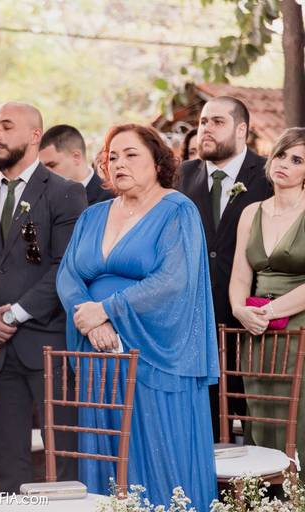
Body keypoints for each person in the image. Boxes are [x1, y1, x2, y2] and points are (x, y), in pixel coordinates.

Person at [58, 123, 219, 510]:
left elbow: (173, 280)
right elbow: (68, 275)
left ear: (157, 162)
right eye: (112, 156)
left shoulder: (177, 210)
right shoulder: (92, 215)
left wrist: (107, 309)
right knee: (106, 456)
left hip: (154, 351)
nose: (119, 163)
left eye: (131, 155)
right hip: (99, 351)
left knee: (160, 455)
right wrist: (93, 321)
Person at [0, 102, 86, 492]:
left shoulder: (66, 193)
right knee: (7, 459)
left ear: (34, 135)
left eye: (6, 126)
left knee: (64, 456)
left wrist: (12, 315)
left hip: (48, 343)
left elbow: (65, 267)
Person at [179, 96, 271, 440]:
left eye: (217, 122)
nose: (206, 129)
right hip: (196, 323)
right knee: (206, 427)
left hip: (253, 323)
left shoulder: (268, 175)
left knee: (256, 425)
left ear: (241, 129)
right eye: (203, 121)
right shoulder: (180, 176)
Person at [228, 127, 305, 478]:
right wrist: (240, 310)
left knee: (298, 417)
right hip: (256, 334)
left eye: (297, 160)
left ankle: (297, 494)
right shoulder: (251, 212)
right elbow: (240, 275)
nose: (284, 163)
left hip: (298, 330)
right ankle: (266, 494)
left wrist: (270, 311)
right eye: (281, 155)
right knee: (259, 414)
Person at [39, 124, 114, 206]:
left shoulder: (111, 199)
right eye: (42, 167)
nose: (45, 173)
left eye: (52, 165)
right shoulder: (43, 198)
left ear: (76, 157)